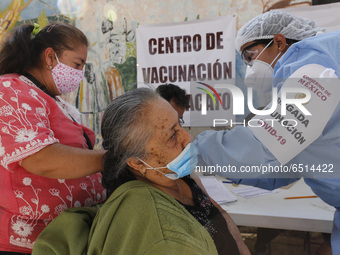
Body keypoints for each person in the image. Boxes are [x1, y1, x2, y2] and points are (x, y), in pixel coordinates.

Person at [32, 88, 250, 255]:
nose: (187, 138)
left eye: (179, 124)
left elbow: (220, 216)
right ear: (136, 163)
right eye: (172, 136)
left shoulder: (176, 175)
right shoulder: (152, 220)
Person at [193, 10, 340, 254]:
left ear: (279, 42)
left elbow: (267, 146)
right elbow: (288, 161)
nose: (250, 67)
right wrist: (230, 169)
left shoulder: (313, 63)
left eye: (250, 56)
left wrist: (195, 149)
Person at [0, 22, 106, 254]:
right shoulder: (11, 89)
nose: (80, 74)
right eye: (77, 64)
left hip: (64, 237)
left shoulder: (53, 100)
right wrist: (111, 159)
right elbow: (40, 158)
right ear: (50, 57)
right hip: (27, 243)